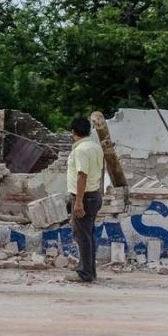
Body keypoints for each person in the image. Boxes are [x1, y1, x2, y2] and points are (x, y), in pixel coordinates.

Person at [65, 118, 104, 283]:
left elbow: (82, 174)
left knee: (82, 235)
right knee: (87, 235)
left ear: (73, 132)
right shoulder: (96, 147)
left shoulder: (81, 150)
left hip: (85, 196)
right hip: (94, 194)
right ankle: (89, 270)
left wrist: (79, 201)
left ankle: (85, 273)